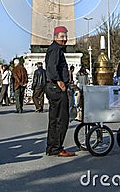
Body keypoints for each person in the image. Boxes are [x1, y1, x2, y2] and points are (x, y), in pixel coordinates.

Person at [45, 26, 75, 157]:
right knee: (61, 119)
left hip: (53, 87)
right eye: (62, 36)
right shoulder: (55, 49)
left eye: (66, 36)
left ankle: (52, 147)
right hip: (56, 88)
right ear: (55, 37)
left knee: (54, 119)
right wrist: (59, 81)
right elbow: (52, 67)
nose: (65, 39)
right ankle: (57, 148)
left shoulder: (54, 49)